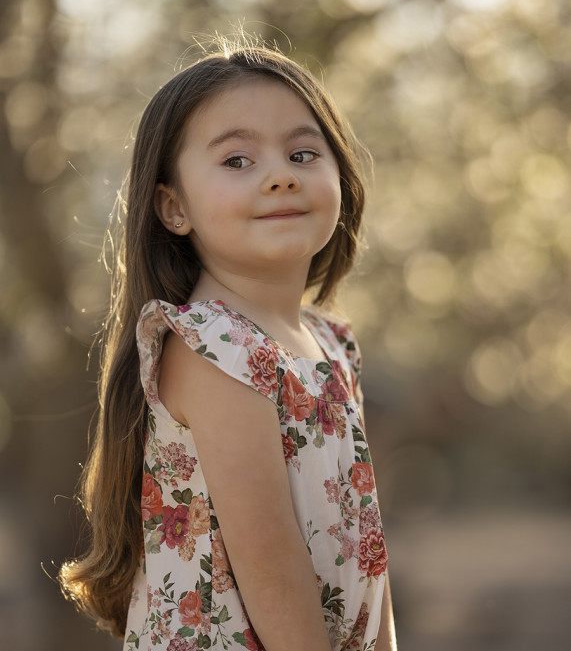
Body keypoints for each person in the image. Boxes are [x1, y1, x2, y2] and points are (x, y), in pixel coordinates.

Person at [59, 43, 397, 651]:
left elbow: (367, 547)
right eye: (238, 160)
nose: (280, 174)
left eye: (301, 153)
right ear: (174, 206)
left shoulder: (329, 342)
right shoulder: (214, 349)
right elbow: (269, 562)